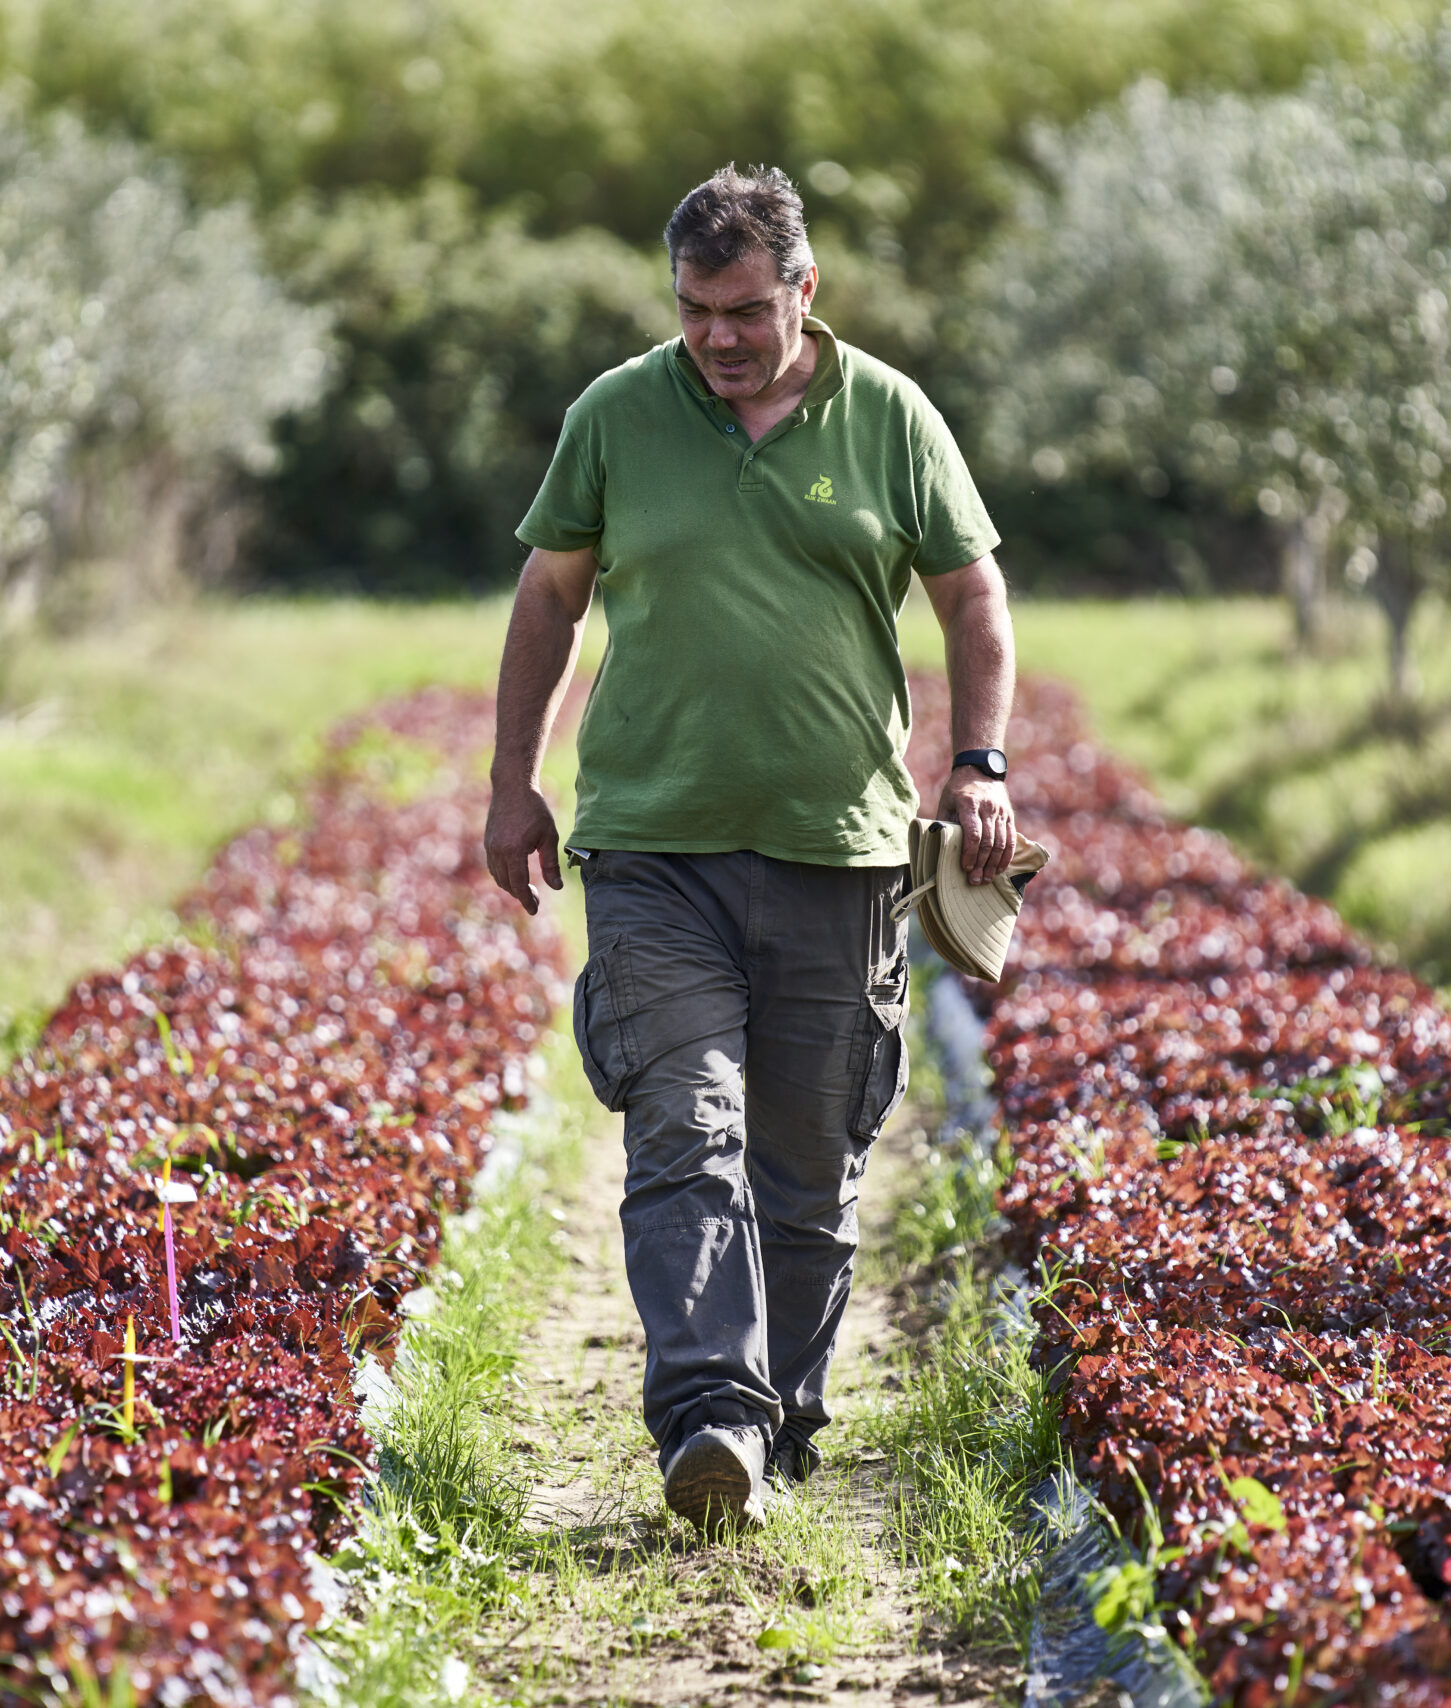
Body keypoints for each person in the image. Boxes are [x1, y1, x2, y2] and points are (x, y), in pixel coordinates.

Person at [481, 164, 1018, 1533]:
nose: (715, 336)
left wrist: (980, 764)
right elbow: (550, 598)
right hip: (652, 847)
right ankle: (709, 1416)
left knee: (804, 1168)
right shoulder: (617, 414)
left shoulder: (890, 417)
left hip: (836, 853)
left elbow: (974, 597)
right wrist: (513, 781)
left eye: (742, 309)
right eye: (692, 309)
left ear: (804, 291)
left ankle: (783, 1421)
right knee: (684, 1129)